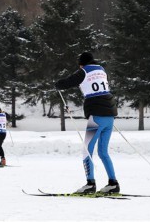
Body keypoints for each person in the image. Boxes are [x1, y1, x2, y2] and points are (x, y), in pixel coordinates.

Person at [55, 51, 119, 195]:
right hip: (110, 115)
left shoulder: (83, 71)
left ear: (81, 64)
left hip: (97, 116)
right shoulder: (102, 70)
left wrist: (58, 84)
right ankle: (113, 184)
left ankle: (90, 184)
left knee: (87, 150)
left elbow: (69, 82)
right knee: (103, 152)